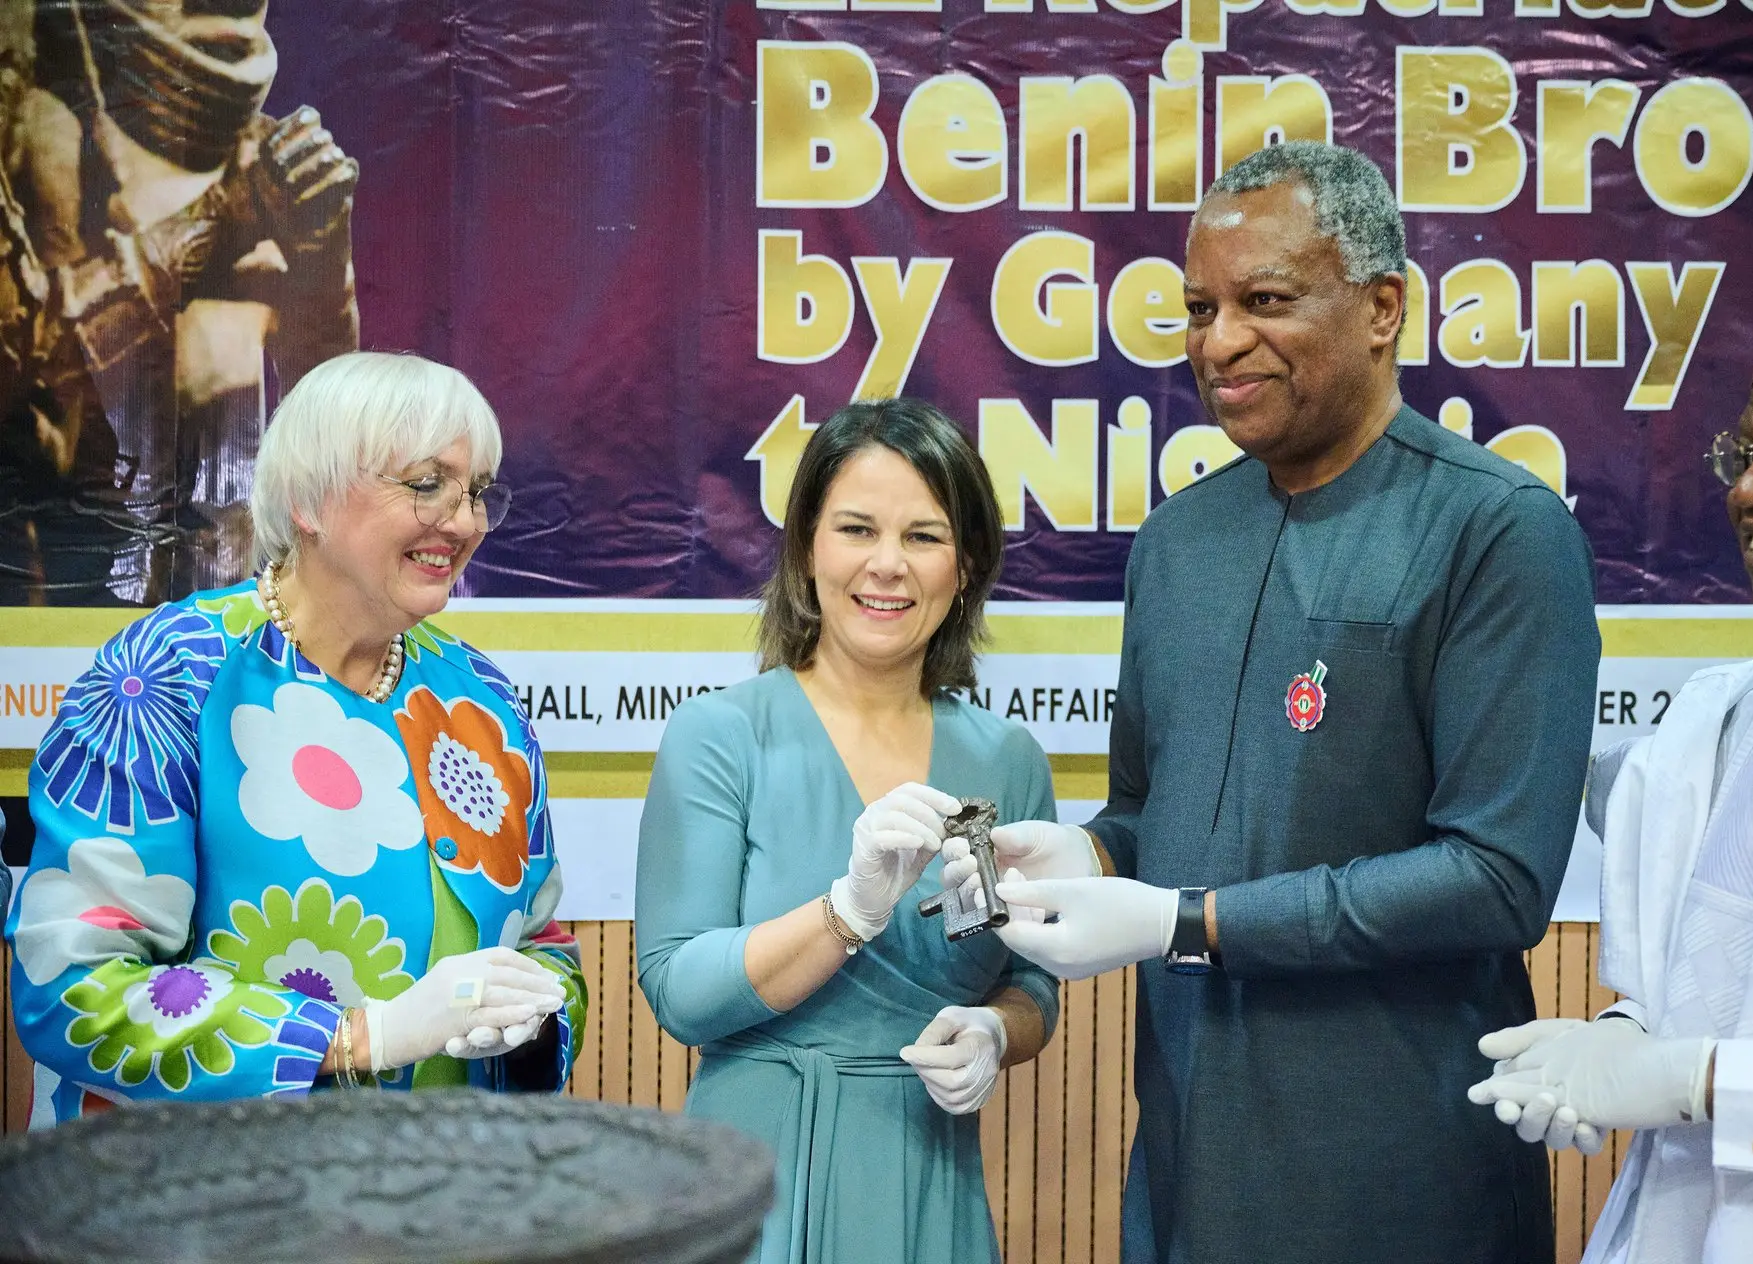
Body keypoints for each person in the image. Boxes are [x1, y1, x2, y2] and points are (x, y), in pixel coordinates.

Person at [950, 141, 1601, 1262]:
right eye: (1198, 307)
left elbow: (1494, 879)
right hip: (1190, 1162)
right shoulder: (1176, 543)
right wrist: (1083, 861)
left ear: (1383, 306)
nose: (1217, 342)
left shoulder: (1498, 530)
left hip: (1403, 1170)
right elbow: (1149, 816)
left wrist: (1184, 922)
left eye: (1265, 301)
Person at [5, 351, 584, 1125]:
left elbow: (545, 938)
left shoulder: (481, 698)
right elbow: (69, 985)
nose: (464, 519)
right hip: (205, 1207)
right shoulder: (170, 673)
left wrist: (534, 1019)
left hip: (443, 1199)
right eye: (426, 484)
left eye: (476, 491)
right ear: (311, 500)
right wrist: (352, 1040)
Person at [1469, 243, 1753, 1263]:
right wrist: (1624, 1037)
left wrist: (1695, 1079)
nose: (1752, 489)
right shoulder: (1720, 722)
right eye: (1743, 454)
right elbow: (1676, 992)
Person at [635, 398, 1059, 1264]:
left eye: (925, 537)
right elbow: (677, 990)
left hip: (928, 1172)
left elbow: (1030, 983)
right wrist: (844, 914)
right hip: (757, 1175)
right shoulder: (721, 736)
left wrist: (993, 1034)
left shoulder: (1005, 761)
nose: (888, 566)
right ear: (806, 550)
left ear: (967, 564)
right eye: (857, 529)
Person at [0, 0, 359, 604]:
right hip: (64, 619)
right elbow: (31, 412)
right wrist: (198, 232)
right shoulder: (31, 149)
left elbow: (332, 427)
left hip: (239, 602)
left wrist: (322, 268)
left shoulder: (272, 159)